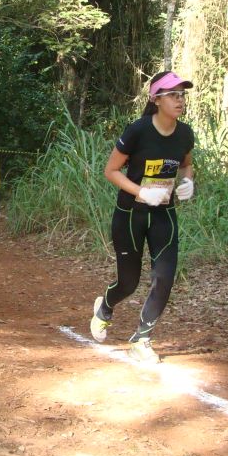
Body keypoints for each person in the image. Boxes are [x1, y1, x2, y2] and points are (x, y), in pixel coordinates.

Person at [90, 71, 195, 363]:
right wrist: (140, 191)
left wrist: (188, 182)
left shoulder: (185, 133)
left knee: (164, 278)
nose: (179, 100)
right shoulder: (138, 130)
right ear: (156, 99)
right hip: (130, 215)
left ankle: (142, 339)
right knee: (129, 282)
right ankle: (105, 307)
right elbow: (111, 171)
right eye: (172, 94)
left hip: (164, 215)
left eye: (182, 95)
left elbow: (186, 164)